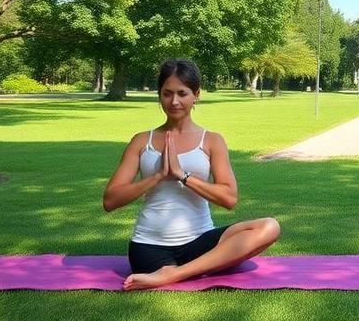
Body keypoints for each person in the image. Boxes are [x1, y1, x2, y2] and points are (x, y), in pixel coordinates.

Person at [103, 59, 280, 290]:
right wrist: (157, 176)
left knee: (270, 227)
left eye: (182, 93)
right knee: (239, 247)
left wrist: (182, 175)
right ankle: (187, 270)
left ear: (196, 95)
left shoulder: (212, 140)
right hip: (148, 247)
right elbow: (110, 200)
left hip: (200, 242)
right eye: (167, 94)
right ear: (159, 94)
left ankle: (170, 275)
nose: (174, 101)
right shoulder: (141, 141)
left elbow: (229, 198)